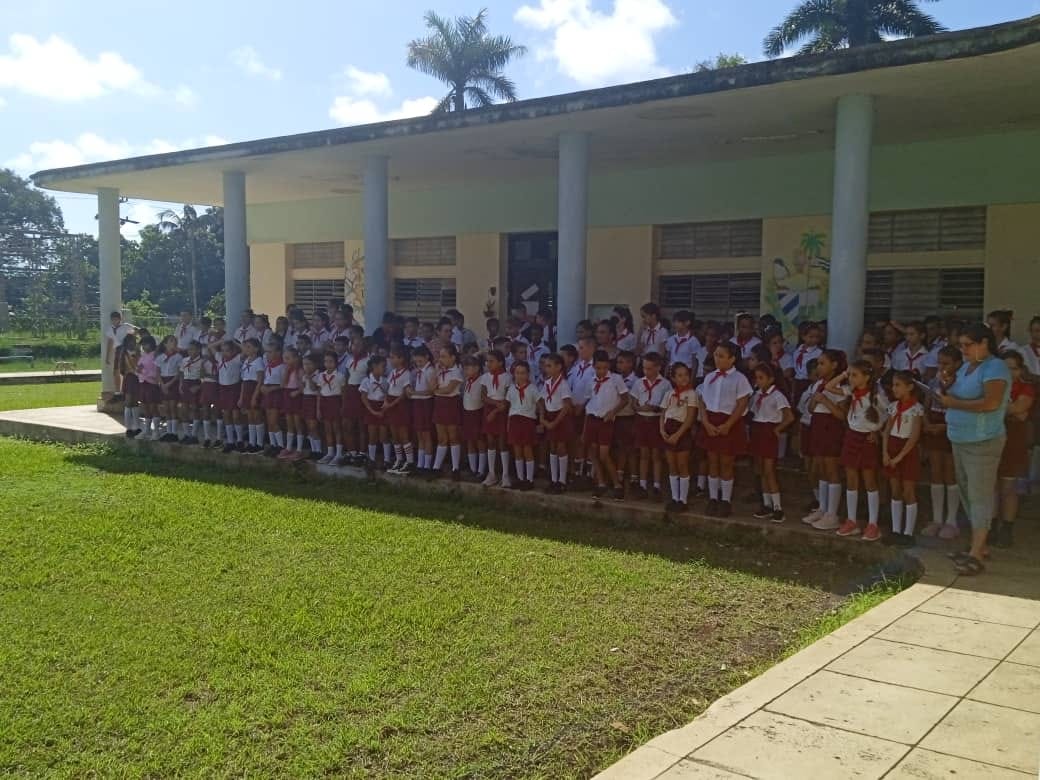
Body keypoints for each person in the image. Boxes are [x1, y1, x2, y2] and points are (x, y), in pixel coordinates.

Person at [936, 323, 1012, 576]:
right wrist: (947, 385)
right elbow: (957, 395)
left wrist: (953, 402)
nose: (964, 350)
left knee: (980, 495)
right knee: (968, 493)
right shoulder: (967, 367)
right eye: (961, 345)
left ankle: (976, 553)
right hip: (960, 438)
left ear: (984, 343)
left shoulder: (995, 367)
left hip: (982, 440)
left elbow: (991, 403)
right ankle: (978, 545)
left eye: (968, 345)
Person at [697, 342, 752, 517]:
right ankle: (713, 498)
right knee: (712, 461)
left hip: (730, 422)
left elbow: (742, 404)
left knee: (727, 462)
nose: (717, 359)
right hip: (711, 421)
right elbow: (702, 402)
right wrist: (706, 423)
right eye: (716, 355)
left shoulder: (740, 379)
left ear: (732, 359)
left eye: (721, 356)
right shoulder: (709, 377)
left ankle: (725, 500)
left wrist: (728, 425)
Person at [833, 360, 886, 541]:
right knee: (851, 479)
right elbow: (829, 387)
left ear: (867, 377)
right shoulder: (851, 391)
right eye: (850, 375)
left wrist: (877, 430)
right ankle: (851, 520)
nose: (851, 378)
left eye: (855, 375)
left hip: (867, 439)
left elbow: (889, 413)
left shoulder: (876, 396)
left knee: (869, 480)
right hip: (852, 436)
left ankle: (873, 523)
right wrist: (843, 374)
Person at [802, 350, 849, 530]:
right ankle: (823, 508)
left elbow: (842, 415)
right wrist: (815, 400)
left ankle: (832, 513)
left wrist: (825, 401)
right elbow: (811, 409)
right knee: (821, 468)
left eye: (823, 364)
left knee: (831, 470)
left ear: (834, 365)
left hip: (832, 428)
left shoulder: (840, 386)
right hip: (818, 426)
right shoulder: (818, 384)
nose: (819, 367)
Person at [920, 346, 963, 539]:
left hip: (952, 428)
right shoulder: (933, 381)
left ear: (958, 364)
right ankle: (937, 519)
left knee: (950, 474)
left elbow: (964, 411)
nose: (942, 367)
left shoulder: (962, 383)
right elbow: (926, 405)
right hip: (934, 428)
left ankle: (951, 520)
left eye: (946, 363)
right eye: (939, 363)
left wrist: (944, 427)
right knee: (936, 472)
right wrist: (926, 424)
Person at [993, 350, 1035, 548]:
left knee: (1008, 487)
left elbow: (1020, 410)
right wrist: (1009, 409)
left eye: (1014, 368)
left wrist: (997, 407)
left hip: (1013, 440)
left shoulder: (1026, 388)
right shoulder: (992, 386)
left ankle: (1007, 529)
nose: (1009, 372)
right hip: (991, 438)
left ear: (1020, 370)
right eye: (1005, 368)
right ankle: (991, 527)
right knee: (991, 486)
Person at [882, 370, 925, 547]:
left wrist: (899, 457)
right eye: (893, 385)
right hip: (892, 448)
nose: (894, 388)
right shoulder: (893, 407)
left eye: (898, 385)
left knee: (908, 491)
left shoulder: (916, 409)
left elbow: (914, 437)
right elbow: (886, 431)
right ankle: (895, 530)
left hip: (907, 451)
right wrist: (885, 453)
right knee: (895, 490)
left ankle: (908, 532)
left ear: (910, 387)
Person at [749, 364, 794, 524]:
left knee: (769, 471)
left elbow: (789, 417)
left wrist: (778, 429)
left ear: (771, 379)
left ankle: (778, 507)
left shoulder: (777, 395)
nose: (758, 381)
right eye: (756, 378)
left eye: (761, 378)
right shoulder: (756, 395)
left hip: (769, 431)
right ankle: (766, 504)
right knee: (761, 469)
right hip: (757, 430)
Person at [582, 350, 629, 500]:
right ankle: (601, 483)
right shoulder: (590, 380)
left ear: (608, 366)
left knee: (604, 454)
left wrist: (613, 412)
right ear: (593, 366)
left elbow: (625, 399)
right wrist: (584, 428)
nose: (601, 371)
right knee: (593, 452)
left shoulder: (616, 379)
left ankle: (617, 484)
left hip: (606, 420)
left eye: (604, 368)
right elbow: (589, 401)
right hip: (592, 418)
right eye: (598, 368)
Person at [632, 352, 670, 500]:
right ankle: (642, 485)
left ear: (658, 368)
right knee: (644, 454)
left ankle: (656, 486)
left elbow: (667, 405)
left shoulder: (665, 384)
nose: (646, 371)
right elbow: (633, 402)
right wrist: (639, 408)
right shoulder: (639, 382)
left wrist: (655, 408)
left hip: (655, 420)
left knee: (656, 454)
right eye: (644, 368)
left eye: (649, 368)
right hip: (642, 420)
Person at [660, 362, 697, 511]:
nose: (684, 378)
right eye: (680, 375)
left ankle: (683, 500)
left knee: (682, 464)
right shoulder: (669, 394)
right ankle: (674, 498)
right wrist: (662, 430)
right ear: (673, 378)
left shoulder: (691, 394)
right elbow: (663, 413)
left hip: (681, 430)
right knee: (672, 464)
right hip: (668, 429)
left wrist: (678, 434)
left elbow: (690, 417)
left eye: (686, 375)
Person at [539, 353, 573, 494]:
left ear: (559, 367)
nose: (546, 368)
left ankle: (562, 481)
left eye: (549, 366)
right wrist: (542, 418)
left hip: (560, 418)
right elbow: (541, 401)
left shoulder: (563, 384)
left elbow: (567, 406)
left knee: (561, 448)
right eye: (545, 366)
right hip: (549, 416)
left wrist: (555, 422)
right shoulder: (547, 383)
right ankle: (553, 480)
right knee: (552, 447)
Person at [480, 349, 513, 488]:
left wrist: (498, 408)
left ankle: (505, 474)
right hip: (490, 408)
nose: (488, 363)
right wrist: (494, 404)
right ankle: (492, 473)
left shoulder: (507, 377)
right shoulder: (485, 377)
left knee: (502, 442)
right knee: (490, 441)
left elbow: (507, 397)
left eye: (491, 361)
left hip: (502, 411)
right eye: (487, 361)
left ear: (500, 362)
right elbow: (483, 396)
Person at [506, 361, 540, 490]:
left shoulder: (533, 389)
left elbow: (540, 405)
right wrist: (508, 424)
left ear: (528, 374)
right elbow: (510, 406)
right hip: (514, 421)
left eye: (523, 373)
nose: (520, 376)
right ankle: (520, 478)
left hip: (527, 421)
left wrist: (540, 421)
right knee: (517, 451)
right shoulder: (511, 389)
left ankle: (529, 480)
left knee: (527, 450)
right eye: (517, 373)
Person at [431, 346, 464, 479]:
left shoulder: (456, 371)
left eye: (444, 356)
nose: (441, 359)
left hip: (451, 404)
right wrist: (436, 372)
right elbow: (431, 386)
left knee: (453, 437)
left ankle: (455, 468)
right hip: (439, 404)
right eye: (440, 356)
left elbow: (449, 389)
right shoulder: (440, 371)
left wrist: (436, 391)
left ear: (453, 358)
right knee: (441, 437)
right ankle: (436, 467)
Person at [383, 347, 413, 471]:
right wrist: (386, 401)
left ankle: (409, 461)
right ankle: (399, 459)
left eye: (393, 357)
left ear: (401, 359)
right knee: (394, 434)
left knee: (403, 434)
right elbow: (388, 388)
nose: (390, 360)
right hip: (390, 403)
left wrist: (391, 404)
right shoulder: (392, 372)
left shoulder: (407, 374)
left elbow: (403, 394)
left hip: (400, 405)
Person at [341, 340, 370, 466]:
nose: (356, 347)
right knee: (348, 424)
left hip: (361, 391)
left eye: (359, 344)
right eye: (353, 345)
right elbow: (348, 377)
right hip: (350, 392)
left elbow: (369, 378)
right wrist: (345, 395)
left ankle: (362, 452)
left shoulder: (368, 360)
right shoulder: (349, 360)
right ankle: (351, 451)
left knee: (361, 424)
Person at [360, 356, 390, 468]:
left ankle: (387, 460)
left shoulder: (385, 381)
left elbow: (387, 395)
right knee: (372, 435)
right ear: (374, 366)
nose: (385, 369)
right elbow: (364, 397)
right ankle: (371, 459)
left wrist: (383, 409)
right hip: (371, 407)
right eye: (383, 366)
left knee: (384, 435)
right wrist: (372, 411)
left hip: (383, 407)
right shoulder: (366, 381)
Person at [410, 346, 436, 473]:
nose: (418, 364)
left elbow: (431, 391)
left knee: (426, 434)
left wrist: (415, 393)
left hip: (426, 403)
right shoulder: (418, 371)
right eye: (416, 362)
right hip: (417, 402)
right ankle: (420, 463)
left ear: (427, 357)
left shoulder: (430, 371)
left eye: (420, 361)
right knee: (419, 434)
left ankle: (427, 465)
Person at [317, 351, 346, 465]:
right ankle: (330, 453)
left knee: (337, 428)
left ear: (336, 363)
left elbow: (343, 394)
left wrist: (342, 407)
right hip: (324, 402)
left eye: (331, 362)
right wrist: (318, 409)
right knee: (327, 429)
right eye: (326, 361)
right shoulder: (321, 375)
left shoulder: (340, 376)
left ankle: (339, 454)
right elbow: (319, 393)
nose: (328, 364)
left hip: (335, 402)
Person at [460, 356, 487, 480]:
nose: (465, 370)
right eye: (464, 368)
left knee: (480, 441)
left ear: (477, 368)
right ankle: (473, 469)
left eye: (468, 368)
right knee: (470, 441)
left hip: (478, 413)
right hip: (467, 413)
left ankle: (481, 470)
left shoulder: (482, 380)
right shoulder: (467, 381)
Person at [237, 338, 266, 454]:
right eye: (245, 347)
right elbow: (244, 380)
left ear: (256, 349)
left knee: (257, 417)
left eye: (249, 347)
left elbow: (260, 380)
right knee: (250, 418)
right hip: (246, 389)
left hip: (254, 389)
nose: (246, 349)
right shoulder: (246, 360)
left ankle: (259, 444)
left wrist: (255, 396)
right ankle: (251, 442)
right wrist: (241, 397)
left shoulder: (259, 361)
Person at [278, 347, 306, 461]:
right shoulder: (286, 370)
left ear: (295, 359)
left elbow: (302, 387)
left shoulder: (300, 371)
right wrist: (287, 371)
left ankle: (299, 449)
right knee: (289, 423)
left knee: (297, 423)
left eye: (288, 358)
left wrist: (297, 392)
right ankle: (288, 447)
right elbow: (282, 385)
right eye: (284, 358)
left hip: (296, 397)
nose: (285, 361)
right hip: (287, 396)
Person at [216, 341, 243, 453]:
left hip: (234, 388)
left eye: (227, 350)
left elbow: (245, 351)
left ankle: (240, 440)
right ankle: (230, 441)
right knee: (226, 414)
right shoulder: (219, 358)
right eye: (222, 350)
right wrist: (222, 341)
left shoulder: (237, 359)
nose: (224, 353)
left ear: (233, 351)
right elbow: (210, 347)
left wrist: (235, 342)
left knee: (236, 415)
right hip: (223, 388)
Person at [177, 340, 205, 445]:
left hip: (195, 384)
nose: (190, 351)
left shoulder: (202, 361)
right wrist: (180, 384)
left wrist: (199, 386)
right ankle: (187, 434)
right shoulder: (185, 360)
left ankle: (194, 435)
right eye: (189, 349)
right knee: (183, 410)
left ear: (199, 350)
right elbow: (181, 373)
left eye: (192, 349)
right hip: (185, 384)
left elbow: (204, 377)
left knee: (195, 409)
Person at [156, 336, 183, 442]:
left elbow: (179, 372)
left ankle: (174, 433)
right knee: (166, 408)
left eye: (175, 341)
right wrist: (162, 384)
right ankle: (169, 432)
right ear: (165, 344)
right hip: (163, 381)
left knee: (173, 408)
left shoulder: (178, 357)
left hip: (173, 382)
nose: (174, 343)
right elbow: (158, 372)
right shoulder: (160, 357)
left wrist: (169, 384)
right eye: (171, 341)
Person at [136, 335, 161, 440]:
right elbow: (139, 368)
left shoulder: (155, 355)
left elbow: (155, 371)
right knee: (145, 407)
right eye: (142, 345)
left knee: (153, 407)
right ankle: (147, 430)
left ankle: (156, 431)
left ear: (151, 344)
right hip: (142, 383)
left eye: (145, 344)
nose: (143, 346)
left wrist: (143, 371)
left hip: (151, 383)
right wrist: (139, 371)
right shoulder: (143, 356)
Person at [117, 333, 141, 437]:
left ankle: (136, 427)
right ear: (127, 342)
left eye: (134, 341)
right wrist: (135, 371)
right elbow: (125, 368)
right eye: (131, 341)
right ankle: (128, 428)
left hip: (137, 378)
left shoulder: (138, 352)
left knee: (135, 402)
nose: (133, 343)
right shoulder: (125, 353)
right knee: (128, 402)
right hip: (130, 377)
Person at [300, 353, 323, 460]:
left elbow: (314, 389)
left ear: (315, 364)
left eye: (309, 364)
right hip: (306, 400)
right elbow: (303, 389)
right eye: (304, 364)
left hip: (314, 400)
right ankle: (313, 450)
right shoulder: (304, 376)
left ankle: (318, 451)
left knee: (314, 427)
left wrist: (309, 378)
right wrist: (302, 379)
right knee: (309, 427)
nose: (306, 366)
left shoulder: (318, 375)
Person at [665, 311, 699, 376]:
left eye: (678, 322)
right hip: (672, 371)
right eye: (674, 322)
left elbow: (695, 363)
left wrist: (692, 380)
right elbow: (668, 360)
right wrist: (665, 375)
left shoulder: (693, 341)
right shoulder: (671, 340)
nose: (675, 324)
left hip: (686, 372)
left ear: (687, 322)